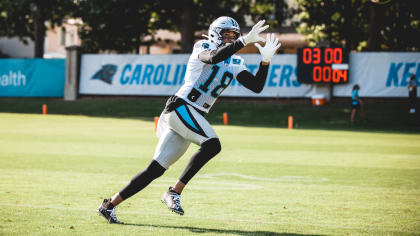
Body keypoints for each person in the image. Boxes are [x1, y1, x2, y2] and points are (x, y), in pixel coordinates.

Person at [97, 16, 281, 224]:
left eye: (234, 36)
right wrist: (243, 41)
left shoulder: (236, 61)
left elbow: (256, 86)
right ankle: (174, 192)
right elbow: (212, 58)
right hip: (181, 107)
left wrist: (265, 62)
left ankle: (109, 205)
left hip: (193, 115)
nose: (231, 39)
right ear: (215, 33)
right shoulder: (203, 45)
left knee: (155, 169)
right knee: (212, 145)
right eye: (226, 34)